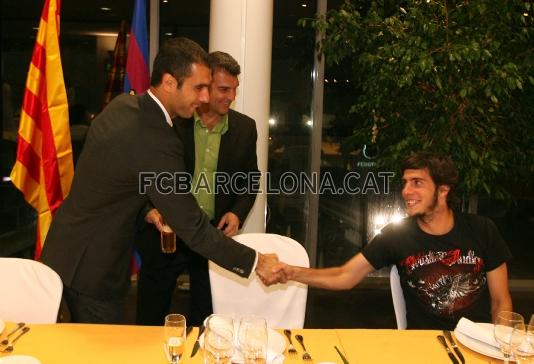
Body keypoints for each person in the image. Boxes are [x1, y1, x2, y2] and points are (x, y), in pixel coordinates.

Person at [40, 38, 279, 324]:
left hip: (66, 251)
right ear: (168, 83)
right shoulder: (157, 139)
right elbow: (192, 226)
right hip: (93, 268)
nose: (204, 97)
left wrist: (145, 205)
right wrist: (256, 262)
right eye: (198, 87)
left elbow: (117, 179)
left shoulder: (123, 105)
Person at [274, 151, 513, 330]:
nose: (406, 191)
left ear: (443, 190)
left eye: (417, 183)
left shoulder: (482, 230)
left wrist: (499, 347)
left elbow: (501, 300)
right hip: (423, 348)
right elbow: (344, 276)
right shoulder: (397, 236)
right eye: (405, 183)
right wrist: (290, 272)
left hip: (476, 345)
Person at [136, 51, 259, 326]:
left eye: (234, 90)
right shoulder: (172, 121)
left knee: (208, 316)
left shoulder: (245, 128)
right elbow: (141, 172)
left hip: (212, 235)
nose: (231, 97)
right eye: (223, 89)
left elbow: (251, 179)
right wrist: (149, 208)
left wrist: (238, 213)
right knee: (150, 313)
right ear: (204, 86)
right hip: (167, 232)